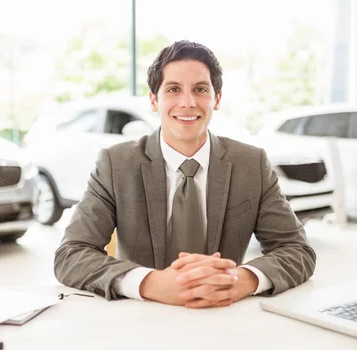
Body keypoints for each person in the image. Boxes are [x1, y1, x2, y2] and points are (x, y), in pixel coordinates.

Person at [54, 40, 316, 308]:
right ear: (154, 100)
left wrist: (242, 279)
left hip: (223, 315)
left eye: (200, 89)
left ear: (217, 99)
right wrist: (150, 283)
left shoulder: (252, 164)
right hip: (140, 317)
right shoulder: (116, 163)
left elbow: (296, 250)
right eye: (173, 89)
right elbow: (71, 254)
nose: (188, 102)